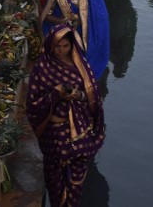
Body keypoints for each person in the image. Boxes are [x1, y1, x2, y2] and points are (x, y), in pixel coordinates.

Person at [26, 26, 106, 207]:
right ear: (51, 46)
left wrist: (78, 96)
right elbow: (33, 103)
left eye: (65, 46)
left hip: (79, 132)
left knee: (76, 182)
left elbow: (92, 96)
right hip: (54, 134)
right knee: (55, 181)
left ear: (72, 45)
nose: (61, 51)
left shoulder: (81, 65)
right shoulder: (42, 68)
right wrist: (56, 93)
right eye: (58, 47)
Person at [39, 0, 109, 78]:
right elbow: (46, 16)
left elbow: (100, 17)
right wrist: (63, 22)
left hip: (86, 34)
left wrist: (82, 22)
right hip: (65, 34)